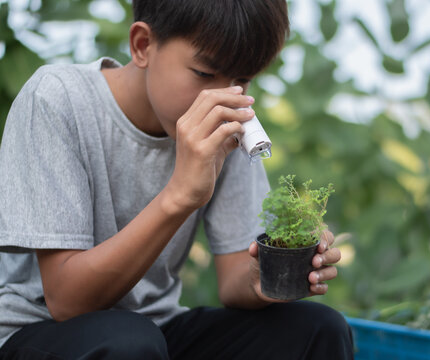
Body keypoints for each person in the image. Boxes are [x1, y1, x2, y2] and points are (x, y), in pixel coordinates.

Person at [0, 0, 353, 359]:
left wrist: (274, 273)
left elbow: (234, 279)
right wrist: (180, 195)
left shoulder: (229, 124)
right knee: (129, 342)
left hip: (157, 330)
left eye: (242, 79)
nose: (222, 97)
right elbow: (66, 300)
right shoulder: (58, 99)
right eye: (203, 73)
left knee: (317, 329)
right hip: (42, 331)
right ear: (142, 45)